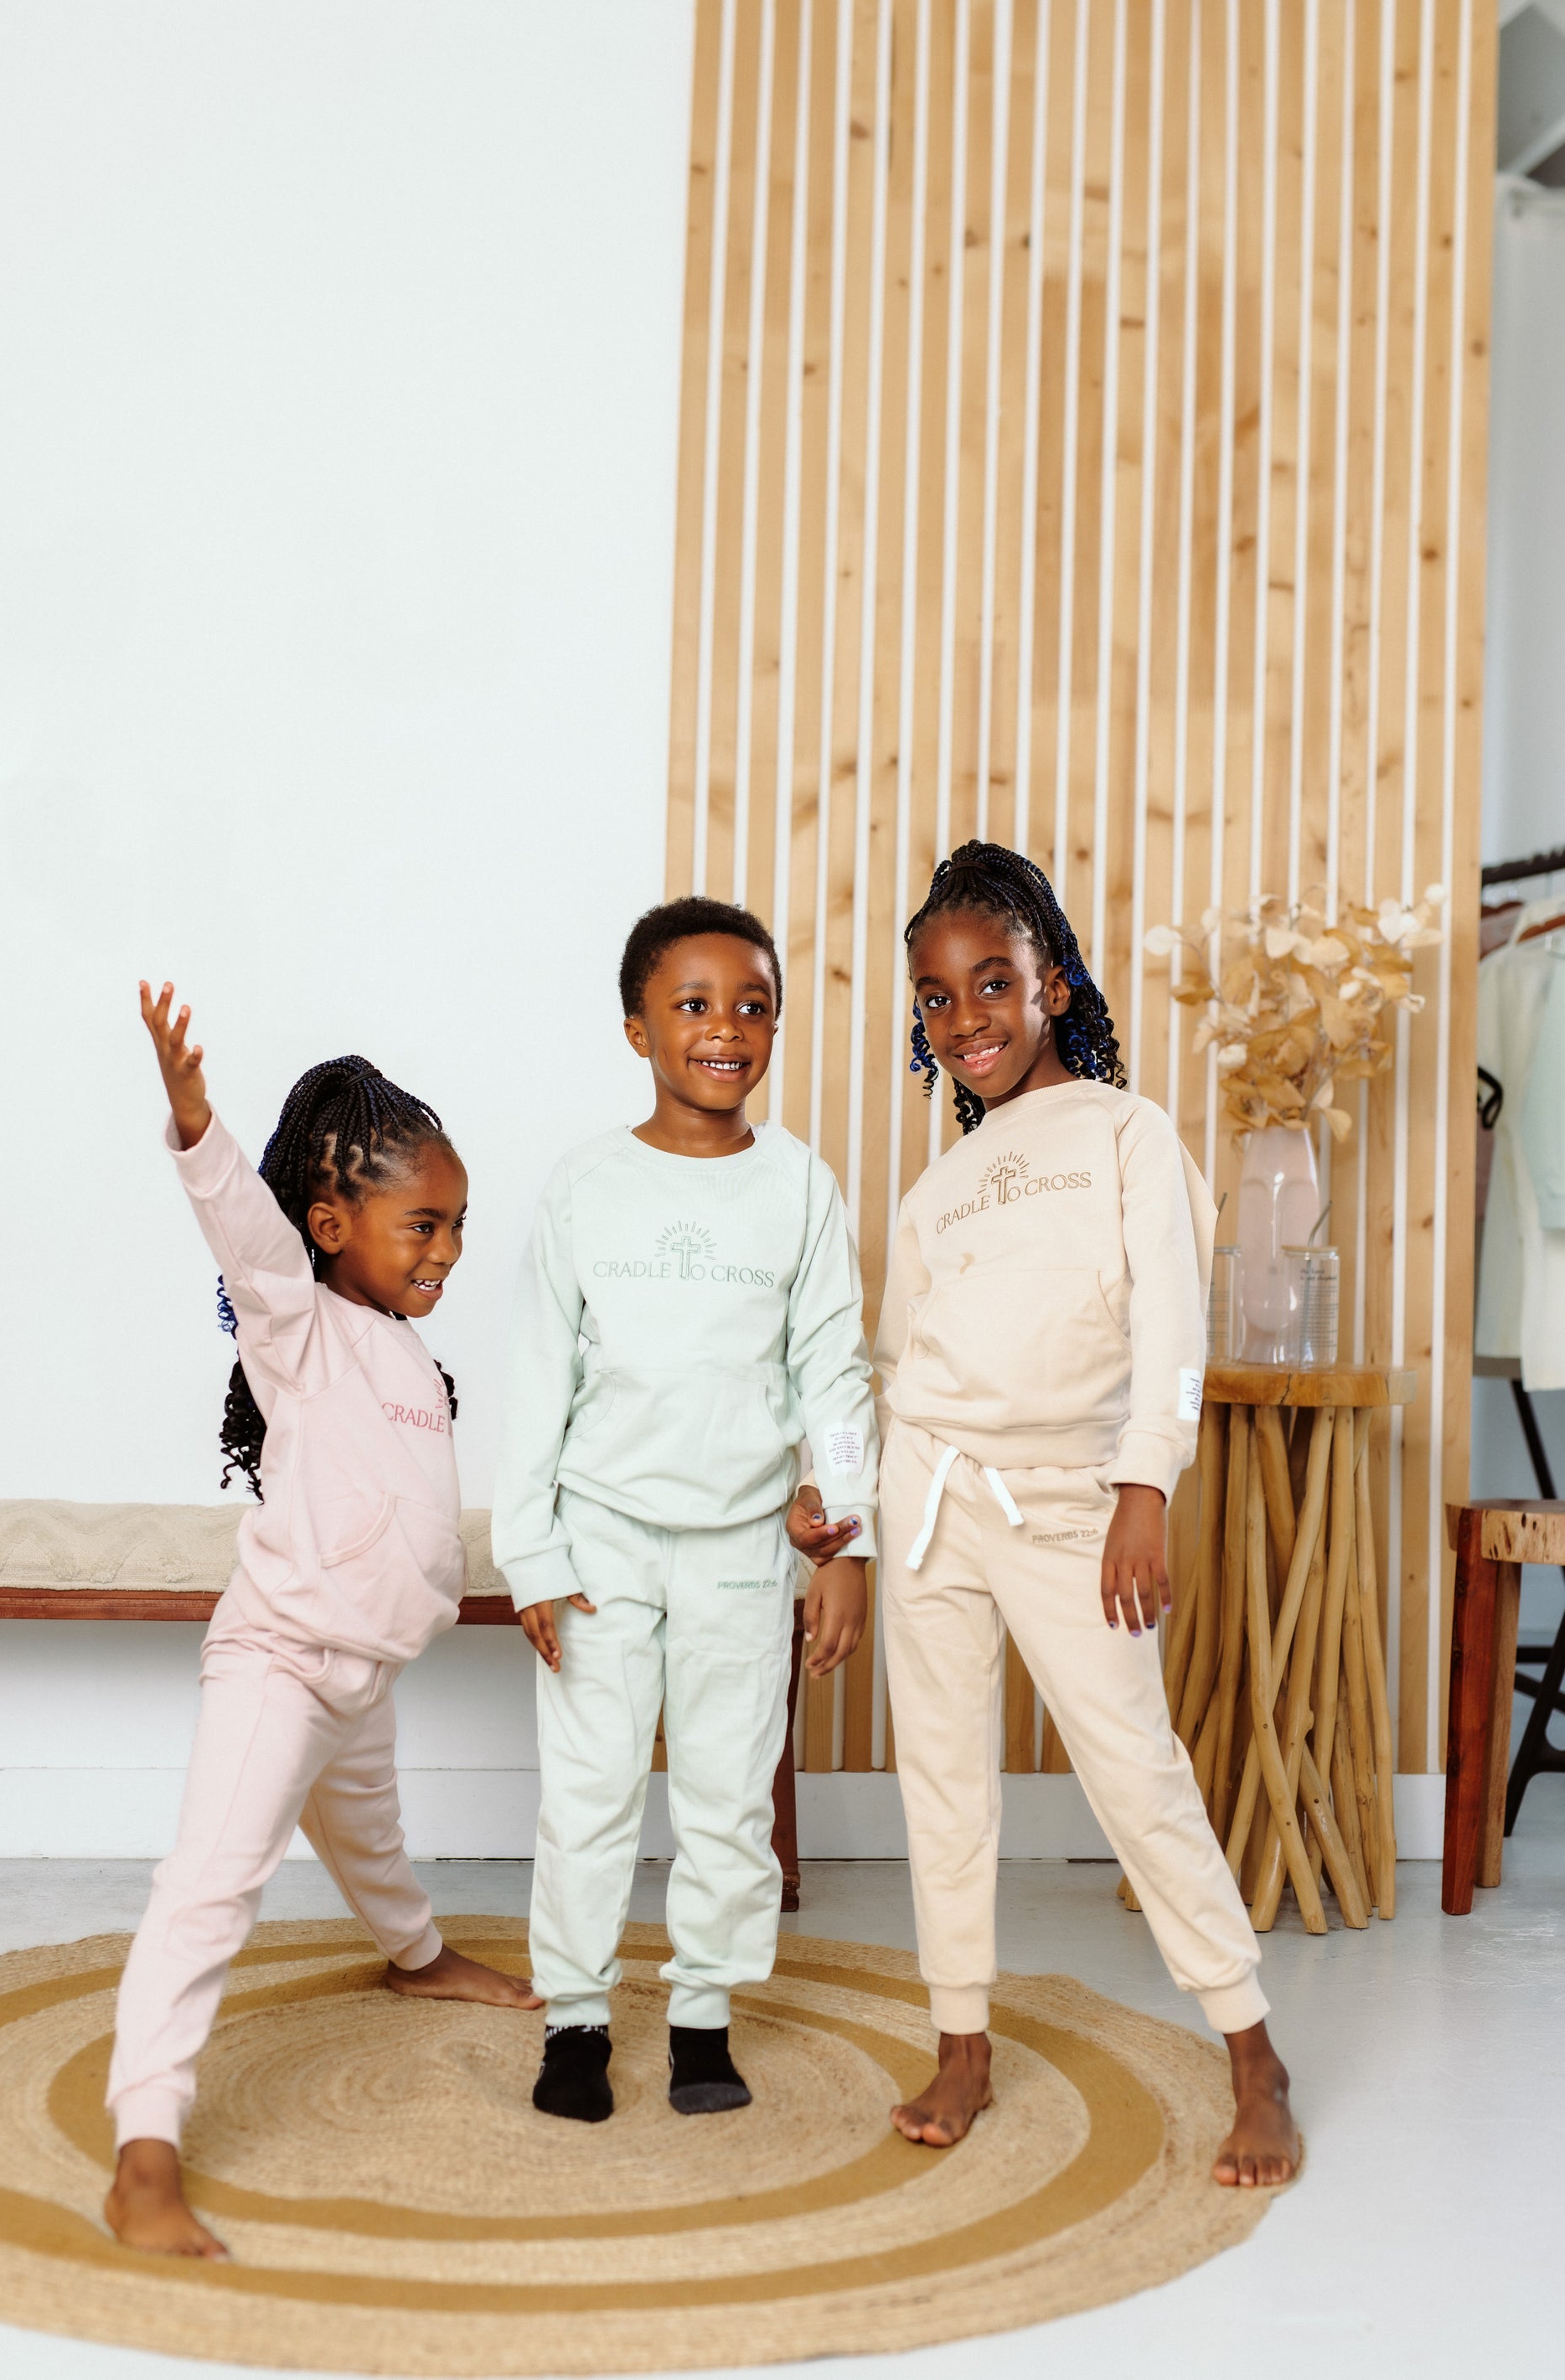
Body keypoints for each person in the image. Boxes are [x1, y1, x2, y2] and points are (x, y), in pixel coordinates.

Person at [875, 844, 1299, 2187]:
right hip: (929, 1496)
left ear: (1049, 982)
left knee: (1132, 1766)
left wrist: (1142, 1487)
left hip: (1072, 1502)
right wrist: (855, 1515)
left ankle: (1251, 2049)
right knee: (941, 1780)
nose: (966, 1019)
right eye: (935, 1000)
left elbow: (1172, 1325)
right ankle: (962, 2038)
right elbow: (894, 1367)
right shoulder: (934, 1191)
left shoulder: (1127, 1132)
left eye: (990, 982)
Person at [106, 983, 540, 2261]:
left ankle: (413, 1955)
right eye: (423, 1225)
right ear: (332, 1220)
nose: (445, 1252)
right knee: (210, 1887)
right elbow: (245, 1236)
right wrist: (198, 1129)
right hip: (284, 1664)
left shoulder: (408, 1354)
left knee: (375, 1843)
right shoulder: (296, 1324)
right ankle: (145, 2150)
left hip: (362, 1677)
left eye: (458, 1227)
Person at [493, 896, 878, 2124]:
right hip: (600, 1535)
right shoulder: (584, 1189)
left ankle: (704, 2012)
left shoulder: (800, 1187)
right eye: (693, 1004)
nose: (726, 1028)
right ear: (635, 1028)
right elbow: (536, 1378)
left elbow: (833, 1367)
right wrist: (532, 1555)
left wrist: (845, 1534)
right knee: (591, 1789)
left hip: (745, 1545)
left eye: (753, 1004)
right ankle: (576, 2019)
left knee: (727, 1793)